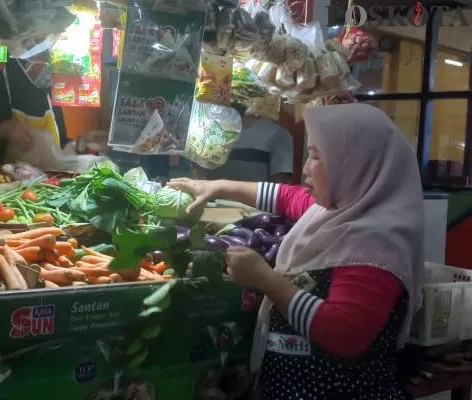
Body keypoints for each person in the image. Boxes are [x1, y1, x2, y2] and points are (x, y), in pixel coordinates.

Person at [169, 103, 423, 399]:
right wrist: (217, 187)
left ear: (355, 165)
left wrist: (266, 280)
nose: (304, 168)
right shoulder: (338, 210)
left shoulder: (376, 243)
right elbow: (287, 197)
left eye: (316, 156)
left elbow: (345, 334)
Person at [0, 55, 108, 163]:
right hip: (0, 194)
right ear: (23, 58)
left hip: (43, 191)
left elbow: (59, 148)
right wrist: (2, 130)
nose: (49, 63)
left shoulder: (50, 92)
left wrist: (81, 144)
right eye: (44, 57)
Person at [203, 103, 294, 183]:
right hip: (208, 200)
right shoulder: (204, 130)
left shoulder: (277, 133)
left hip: (254, 201)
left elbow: (280, 186)